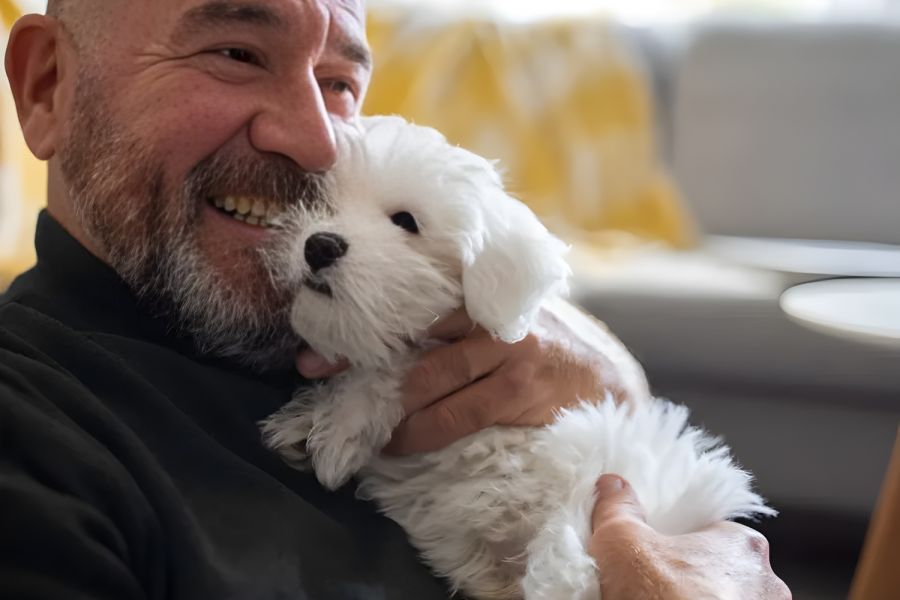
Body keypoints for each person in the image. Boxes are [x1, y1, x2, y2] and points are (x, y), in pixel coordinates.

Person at [0, 1, 789, 598]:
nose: (316, 141)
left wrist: (609, 374)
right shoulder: (35, 437)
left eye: (339, 82)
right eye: (236, 53)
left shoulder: (404, 331)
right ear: (48, 88)